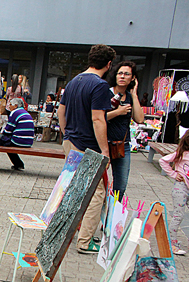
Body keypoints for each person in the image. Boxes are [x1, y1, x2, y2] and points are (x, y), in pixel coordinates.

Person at [57, 44, 115, 255]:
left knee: (73, 188)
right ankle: (85, 240)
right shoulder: (100, 86)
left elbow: (61, 111)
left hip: (71, 142)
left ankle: (64, 233)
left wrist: (67, 133)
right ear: (109, 64)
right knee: (96, 192)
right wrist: (105, 151)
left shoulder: (74, 81)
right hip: (88, 147)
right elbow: (98, 119)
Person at [106, 61, 144, 198]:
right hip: (102, 143)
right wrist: (118, 112)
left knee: (120, 186)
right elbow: (97, 118)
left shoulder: (129, 96)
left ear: (132, 78)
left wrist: (134, 96)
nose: (122, 76)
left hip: (122, 145)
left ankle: (113, 214)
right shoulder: (106, 92)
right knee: (97, 182)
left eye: (127, 74)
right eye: (120, 73)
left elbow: (140, 119)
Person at [159, 130, 189, 255]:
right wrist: (173, 174)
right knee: (178, 216)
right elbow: (163, 161)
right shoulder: (182, 154)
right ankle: (172, 243)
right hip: (181, 188)